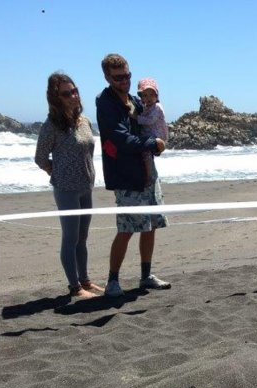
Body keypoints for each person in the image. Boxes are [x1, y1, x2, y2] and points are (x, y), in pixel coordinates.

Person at [95, 53, 170, 297]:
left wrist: (156, 144)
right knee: (126, 228)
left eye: (127, 76)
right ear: (107, 77)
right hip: (126, 175)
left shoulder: (135, 100)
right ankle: (113, 281)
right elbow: (121, 138)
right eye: (118, 78)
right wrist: (152, 143)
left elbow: (149, 124)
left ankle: (146, 275)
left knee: (150, 225)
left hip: (147, 171)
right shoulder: (106, 103)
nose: (124, 81)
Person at [34, 72, 103, 299]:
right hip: (66, 189)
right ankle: (74, 287)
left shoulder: (84, 121)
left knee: (82, 238)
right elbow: (40, 158)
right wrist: (56, 171)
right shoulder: (51, 125)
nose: (73, 96)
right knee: (70, 238)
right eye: (66, 94)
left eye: (74, 91)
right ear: (56, 98)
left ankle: (85, 281)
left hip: (86, 186)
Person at [135, 78, 169, 186]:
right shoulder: (146, 107)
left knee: (146, 153)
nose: (148, 98)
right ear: (141, 97)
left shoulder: (157, 107)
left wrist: (136, 118)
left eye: (151, 94)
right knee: (145, 153)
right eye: (145, 95)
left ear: (156, 95)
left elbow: (150, 120)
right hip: (151, 133)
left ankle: (149, 176)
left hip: (158, 135)